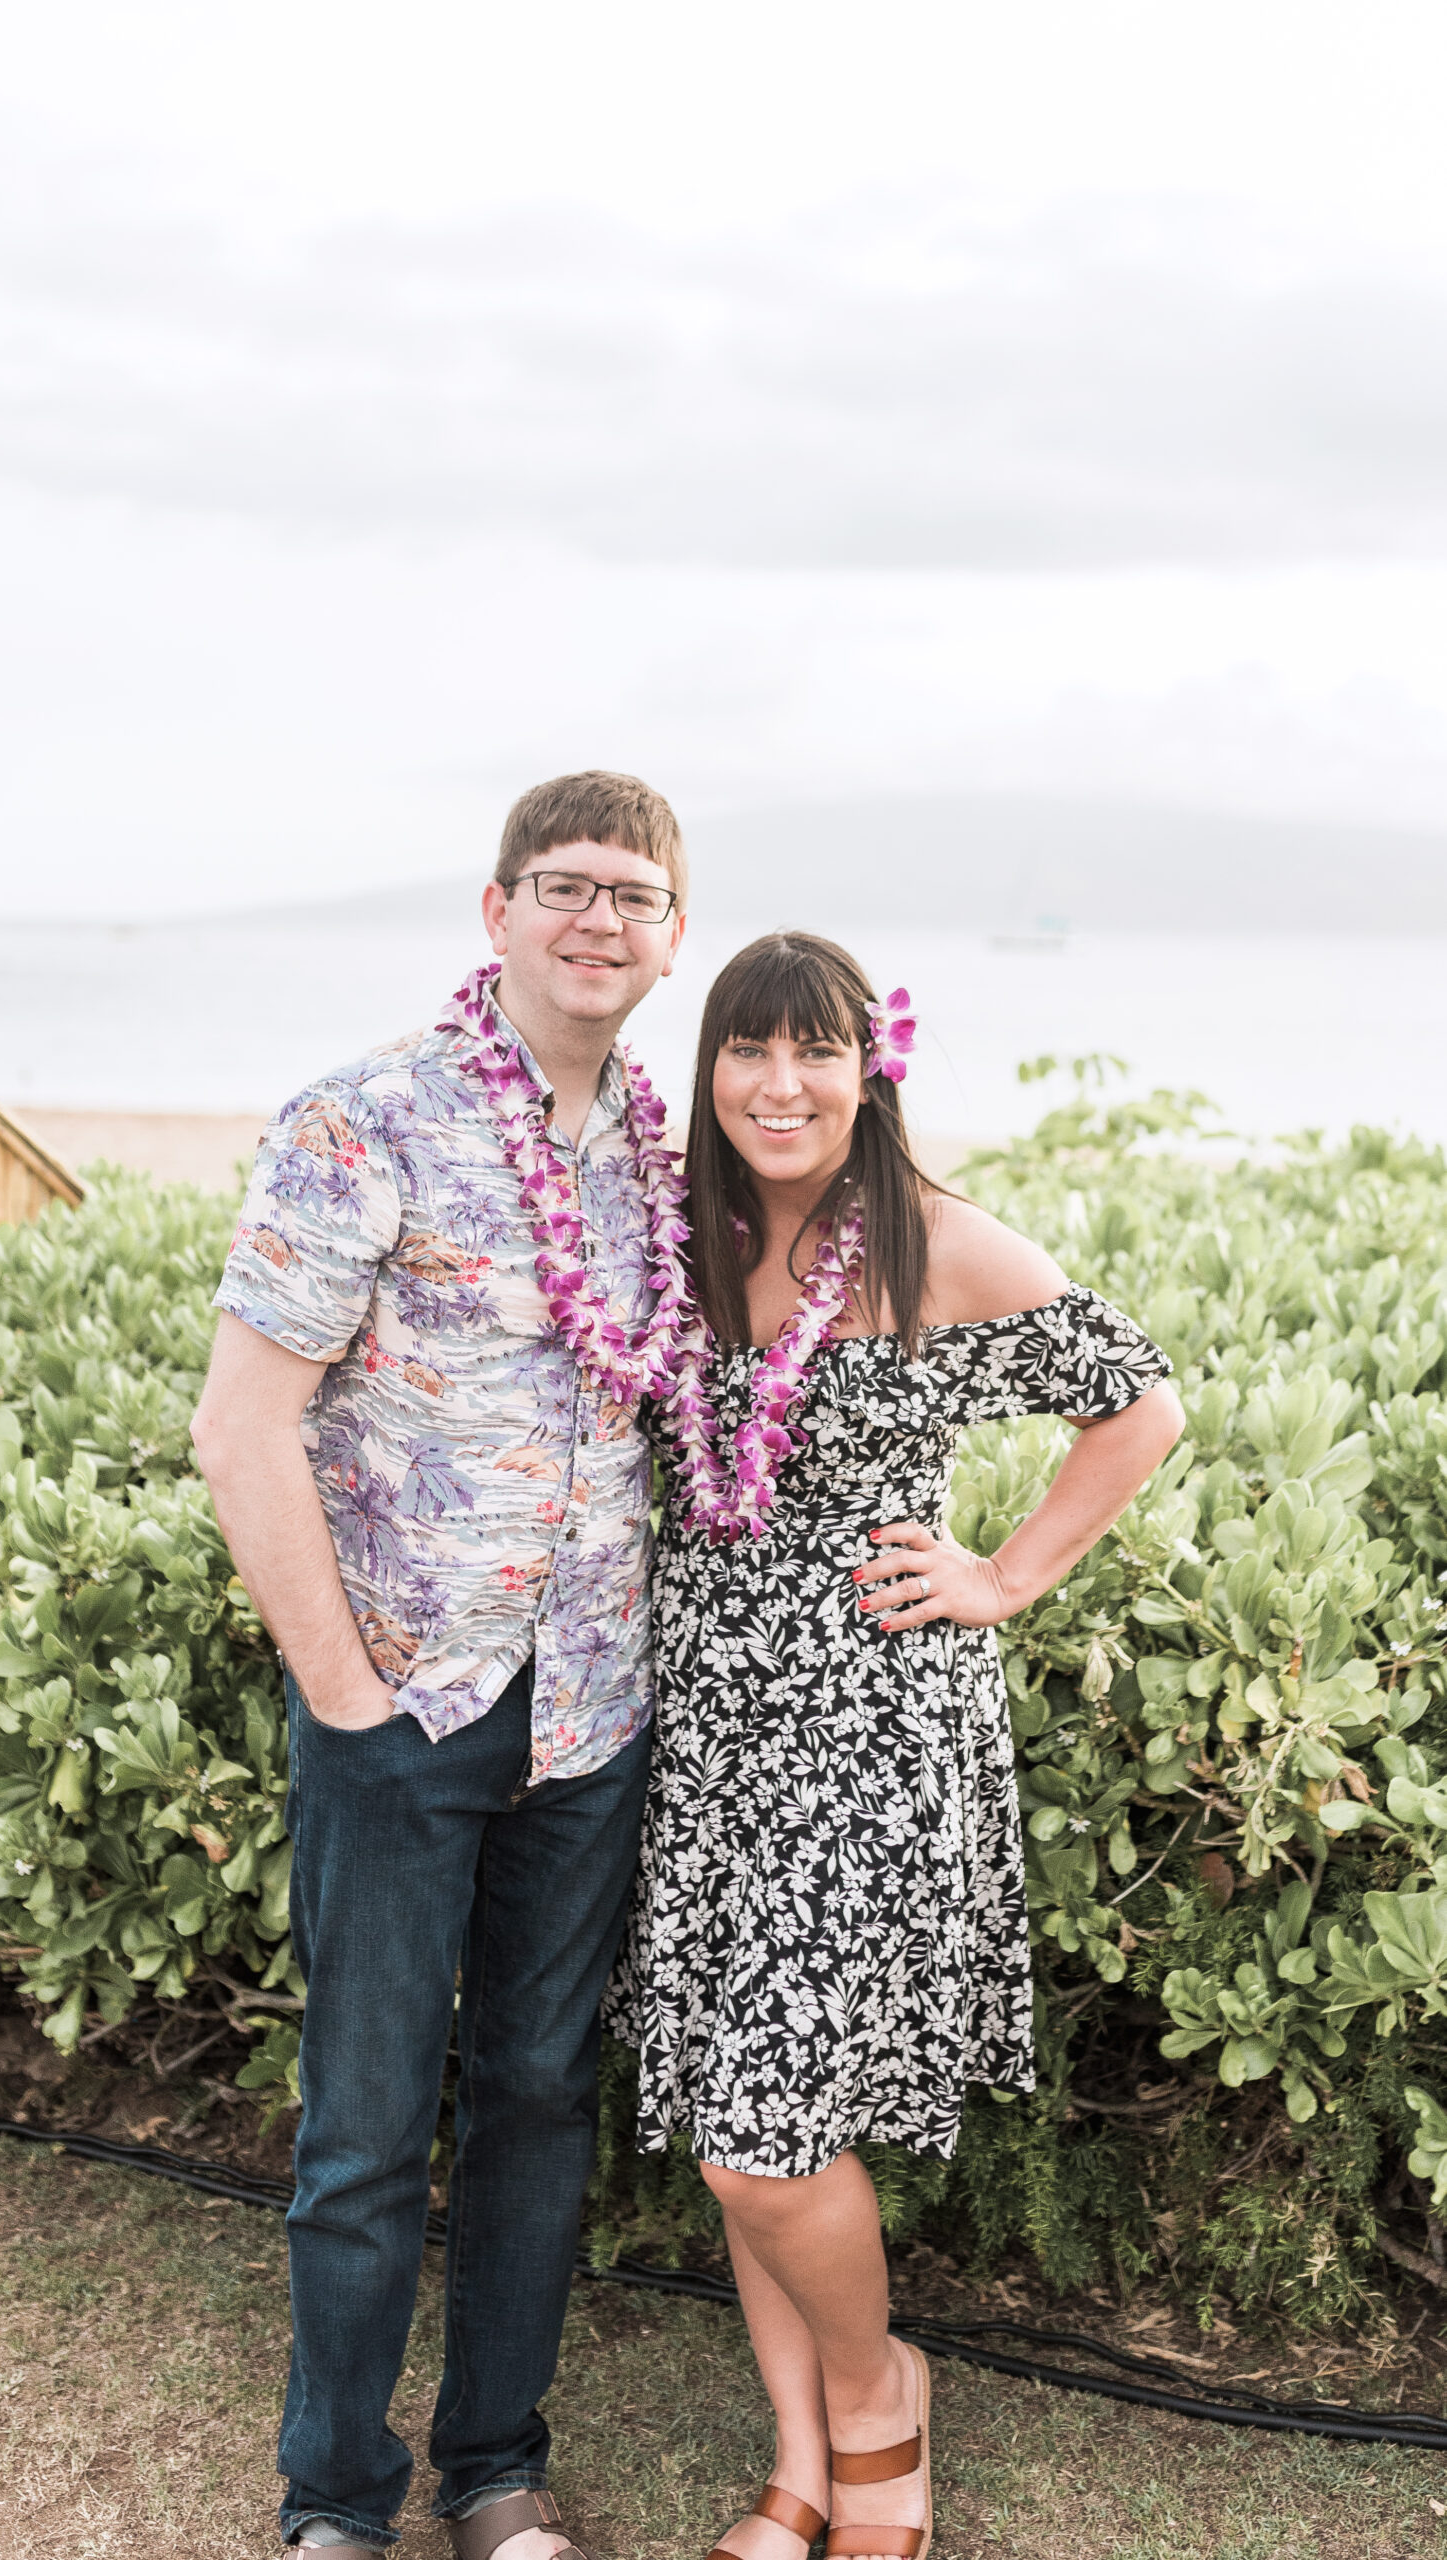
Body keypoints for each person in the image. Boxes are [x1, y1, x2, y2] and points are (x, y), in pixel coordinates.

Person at [604, 931, 1184, 2560]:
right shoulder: (677, 1241)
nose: (781, 1087)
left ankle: (878, 2405)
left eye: (818, 1054)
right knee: (745, 2122)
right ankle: (797, 2459)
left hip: (871, 1729)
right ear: (709, 1070)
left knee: (760, 2135)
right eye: (748, 1052)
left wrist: (1001, 1575)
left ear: (872, 1070)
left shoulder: (938, 1247)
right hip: (709, 1726)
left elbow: (1138, 1406)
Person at [191, 772, 693, 2558]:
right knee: (366, 2130)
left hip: (593, 1711)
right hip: (400, 1698)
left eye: (632, 895)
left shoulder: (665, 1154)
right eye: (563, 886)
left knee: (544, 2102)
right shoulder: (364, 1122)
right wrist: (344, 1694)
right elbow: (242, 1430)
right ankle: (335, 2496)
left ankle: (498, 2471)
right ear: (495, 913)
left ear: (671, 935)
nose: (596, 920)